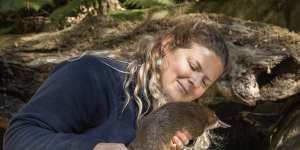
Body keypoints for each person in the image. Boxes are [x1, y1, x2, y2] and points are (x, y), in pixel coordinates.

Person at [3, 19, 229, 150]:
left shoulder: (179, 124)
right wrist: (91, 148)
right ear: (166, 46)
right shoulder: (92, 73)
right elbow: (18, 137)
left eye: (205, 82)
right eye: (193, 66)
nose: (194, 83)